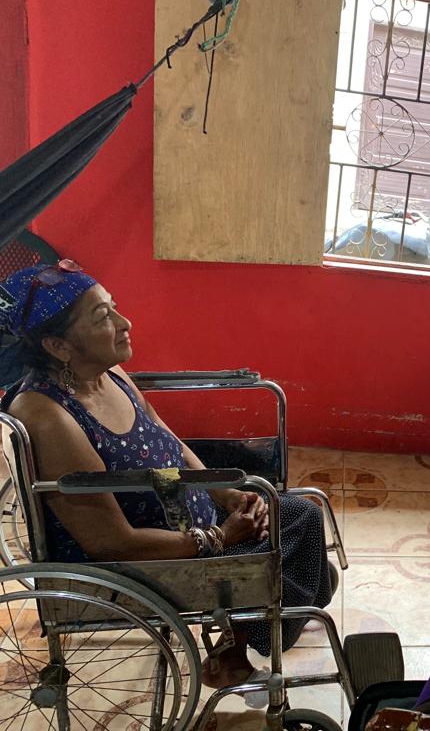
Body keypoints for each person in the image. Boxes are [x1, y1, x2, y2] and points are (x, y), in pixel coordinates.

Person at [0, 260, 334, 689]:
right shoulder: (49, 416)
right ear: (58, 346)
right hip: (149, 556)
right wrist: (221, 537)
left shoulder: (108, 373)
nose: (125, 323)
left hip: (185, 514)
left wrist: (225, 494)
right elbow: (110, 542)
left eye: (114, 307)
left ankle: (276, 614)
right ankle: (253, 636)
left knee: (301, 516)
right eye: (102, 317)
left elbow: (166, 439)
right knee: (284, 553)